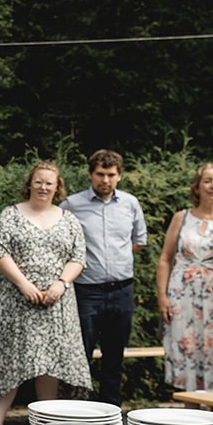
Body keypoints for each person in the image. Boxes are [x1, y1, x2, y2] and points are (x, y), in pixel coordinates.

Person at [0, 161, 92, 425]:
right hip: (14, 300)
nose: (43, 187)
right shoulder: (10, 215)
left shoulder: (69, 219)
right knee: (11, 356)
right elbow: (0, 252)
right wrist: (24, 284)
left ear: (57, 187)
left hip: (56, 300)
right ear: (30, 183)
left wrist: (61, 284)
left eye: (49, 183)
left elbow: (78, 258)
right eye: (38, 181)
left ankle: (47, 422)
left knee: (49, 359)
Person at [62, 149, 147, 404]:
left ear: (119, 176)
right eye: (100, 174)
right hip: (86, 291)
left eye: (111, 175)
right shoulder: (71, 205)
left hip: (122, 290)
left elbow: (138, 242)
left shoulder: (130, 203)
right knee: (80, 356)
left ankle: (111, 414)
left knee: (114, 358)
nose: (105, 180)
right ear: (90, 174)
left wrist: (114, 261)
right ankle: (78, 413)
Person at [156, 161, 213, 391]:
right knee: (187, 352)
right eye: (208, 181)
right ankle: (190, 423)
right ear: (197, 186)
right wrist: (162, 296)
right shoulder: (181, 218)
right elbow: (165, 258)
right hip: (182, 297)